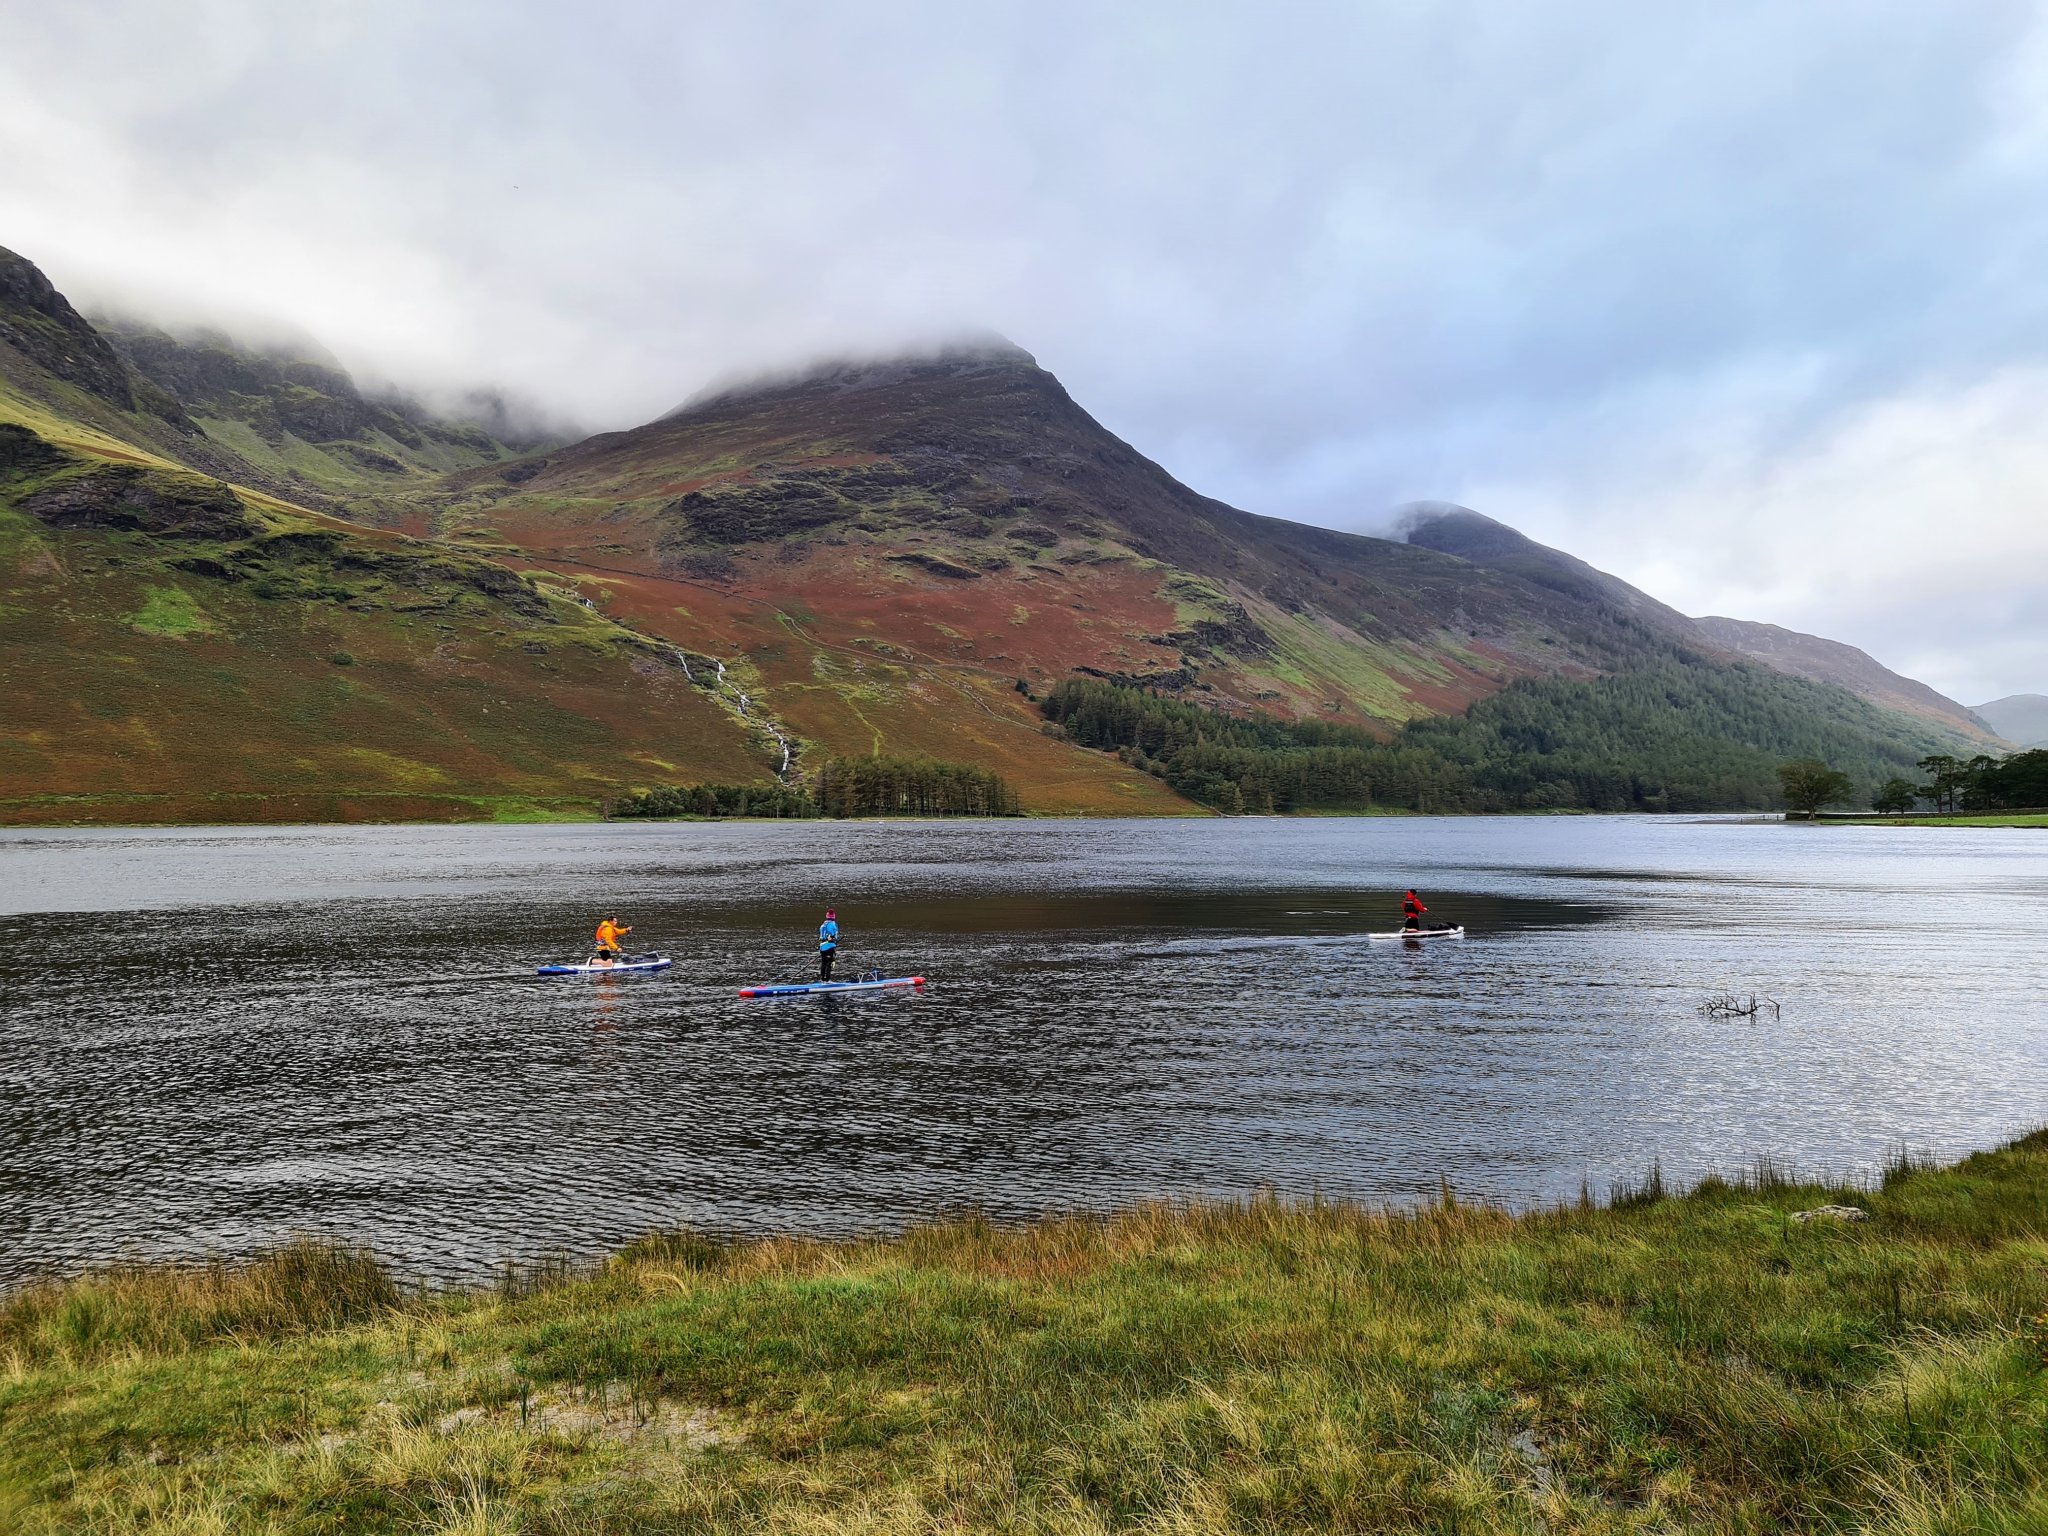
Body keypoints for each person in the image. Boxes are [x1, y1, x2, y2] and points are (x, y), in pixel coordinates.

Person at [817, 907, 839, 981]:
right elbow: (831, 935)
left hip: (822, 947)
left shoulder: (823, 925)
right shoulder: (832, 924)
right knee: (829, 963)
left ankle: (823, 979)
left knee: (823, 963)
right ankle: (827, 980)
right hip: (829, 947)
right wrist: (832, 938)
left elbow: (822, 936)